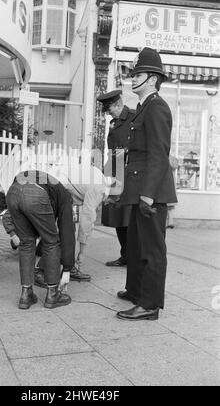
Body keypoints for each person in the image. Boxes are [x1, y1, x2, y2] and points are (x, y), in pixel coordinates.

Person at [116, 47, 177, 321]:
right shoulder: (145, 107)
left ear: (152, 79)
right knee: (137, 245)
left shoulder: (157, 108)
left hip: (151, 192)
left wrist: (149, 195)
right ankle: (136, 291)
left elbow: (158, 154)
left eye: (138, 73)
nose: (133, 78)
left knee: (152, 249)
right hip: (140, 189)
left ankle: (150, 304)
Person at [6, 170, 75, 310]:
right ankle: (53, 295)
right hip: (34, 192)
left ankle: (26, 295)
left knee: (26, 243)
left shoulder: (52, 185)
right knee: (51, 242)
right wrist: (67, 269)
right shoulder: (66, 197)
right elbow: (67, 232)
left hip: (12, 191)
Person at [97, 89, 135, 267]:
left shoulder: (135, 117)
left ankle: (133, 256)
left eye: (109, 109)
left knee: (129, 217)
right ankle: (126, 255)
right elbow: (112, 152)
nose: (108, 113)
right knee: (118, 216)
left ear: (118, 104)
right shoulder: (114, 123)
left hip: (130, 175)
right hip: (116, 173)